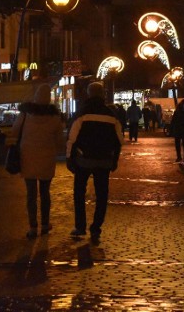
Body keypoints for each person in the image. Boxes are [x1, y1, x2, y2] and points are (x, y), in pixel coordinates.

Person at [66, 81, 123, 244]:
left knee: (79, 193)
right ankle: (96, 227)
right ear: (103, 94)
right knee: (102, 195)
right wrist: (115, 158)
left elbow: (72, 138)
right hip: (104, 160)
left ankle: (80, 226)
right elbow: (119, 139)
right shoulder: (111, 115)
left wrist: (70, 158)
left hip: (83, 159)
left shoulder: (82, 113)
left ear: (89, 94)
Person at [11, 84, 64, 239]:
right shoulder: (54, 118)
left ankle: (33, 226)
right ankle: (45, 224)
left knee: (31, 194)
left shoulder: (26, 115)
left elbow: (15, 131)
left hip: (27, 157)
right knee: (45, 193)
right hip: (47, 159)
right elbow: (60, 141)